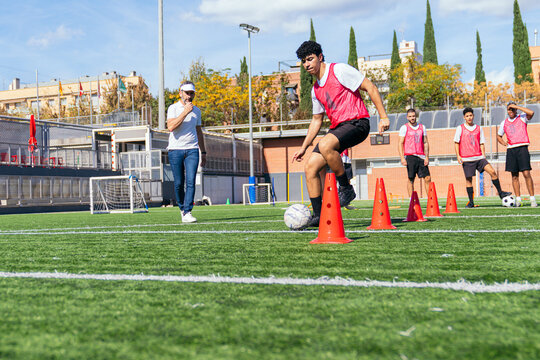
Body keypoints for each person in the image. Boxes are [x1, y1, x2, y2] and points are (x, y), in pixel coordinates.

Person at [291, 40, 390, 227]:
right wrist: (304, 148)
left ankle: (345, 188)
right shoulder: (315, 90)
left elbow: (371, 87)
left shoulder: (339, 70)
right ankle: (319, 215)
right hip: (339, 129)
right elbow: (316, 120)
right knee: (310, 167)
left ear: (320, 57)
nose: (307, 65)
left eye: (310, 59)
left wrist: (383, 117)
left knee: (327, 144)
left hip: (358, 122)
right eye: (304, 61)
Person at [167, 81, 207, 222]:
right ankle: (182, 208)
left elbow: (199, 132)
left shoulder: (197, 111)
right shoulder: (173, 108)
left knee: (191, 181)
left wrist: (203, 152)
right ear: (180, 93)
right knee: (179, 183)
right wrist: (185, 112)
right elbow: (171, 127)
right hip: (175, 150)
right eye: (187, 93)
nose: (189, 96)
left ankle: (187, 211)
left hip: (192, 150)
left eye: (192, 93)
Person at [455, 107, 511, 208]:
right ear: (464, 117)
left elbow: (481, 143)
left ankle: (501, 193)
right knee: (468, 180)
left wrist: (483, 155)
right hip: (467, 159)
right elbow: (456, 142)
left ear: (473, 116)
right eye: (467, 116)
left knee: (492, 172)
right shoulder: (460, 128)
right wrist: (458, 156)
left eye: (471, 115)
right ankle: (471, 202)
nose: (469, 117)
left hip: (479, 157)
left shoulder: (478, 128)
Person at [497, 102, 536, 207]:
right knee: (514, 176)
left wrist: (516, 106)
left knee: (526, 173)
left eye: (513, 109)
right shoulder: (503, 123)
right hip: (511, 150)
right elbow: (498, 136)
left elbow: (531, 112)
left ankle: (532, 199)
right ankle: (518, 200)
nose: (511, 111)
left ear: (516, 110)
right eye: (509, 109)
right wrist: (504, 143)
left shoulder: (522, 117)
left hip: (522, 148)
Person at [398, 108, 431, 198]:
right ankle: (411, 200)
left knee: (427, 178)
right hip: (410, 156)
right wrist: (402, 158)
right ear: (407, 117)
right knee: (411, 178)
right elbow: (400, 143)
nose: (412, 118)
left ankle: (430, 200)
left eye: (413, 116)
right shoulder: (404, 128)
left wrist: (427, 157)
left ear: (416, 116)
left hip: (421, 156)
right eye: (410, 116)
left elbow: (425, 142)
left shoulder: (422, 127)